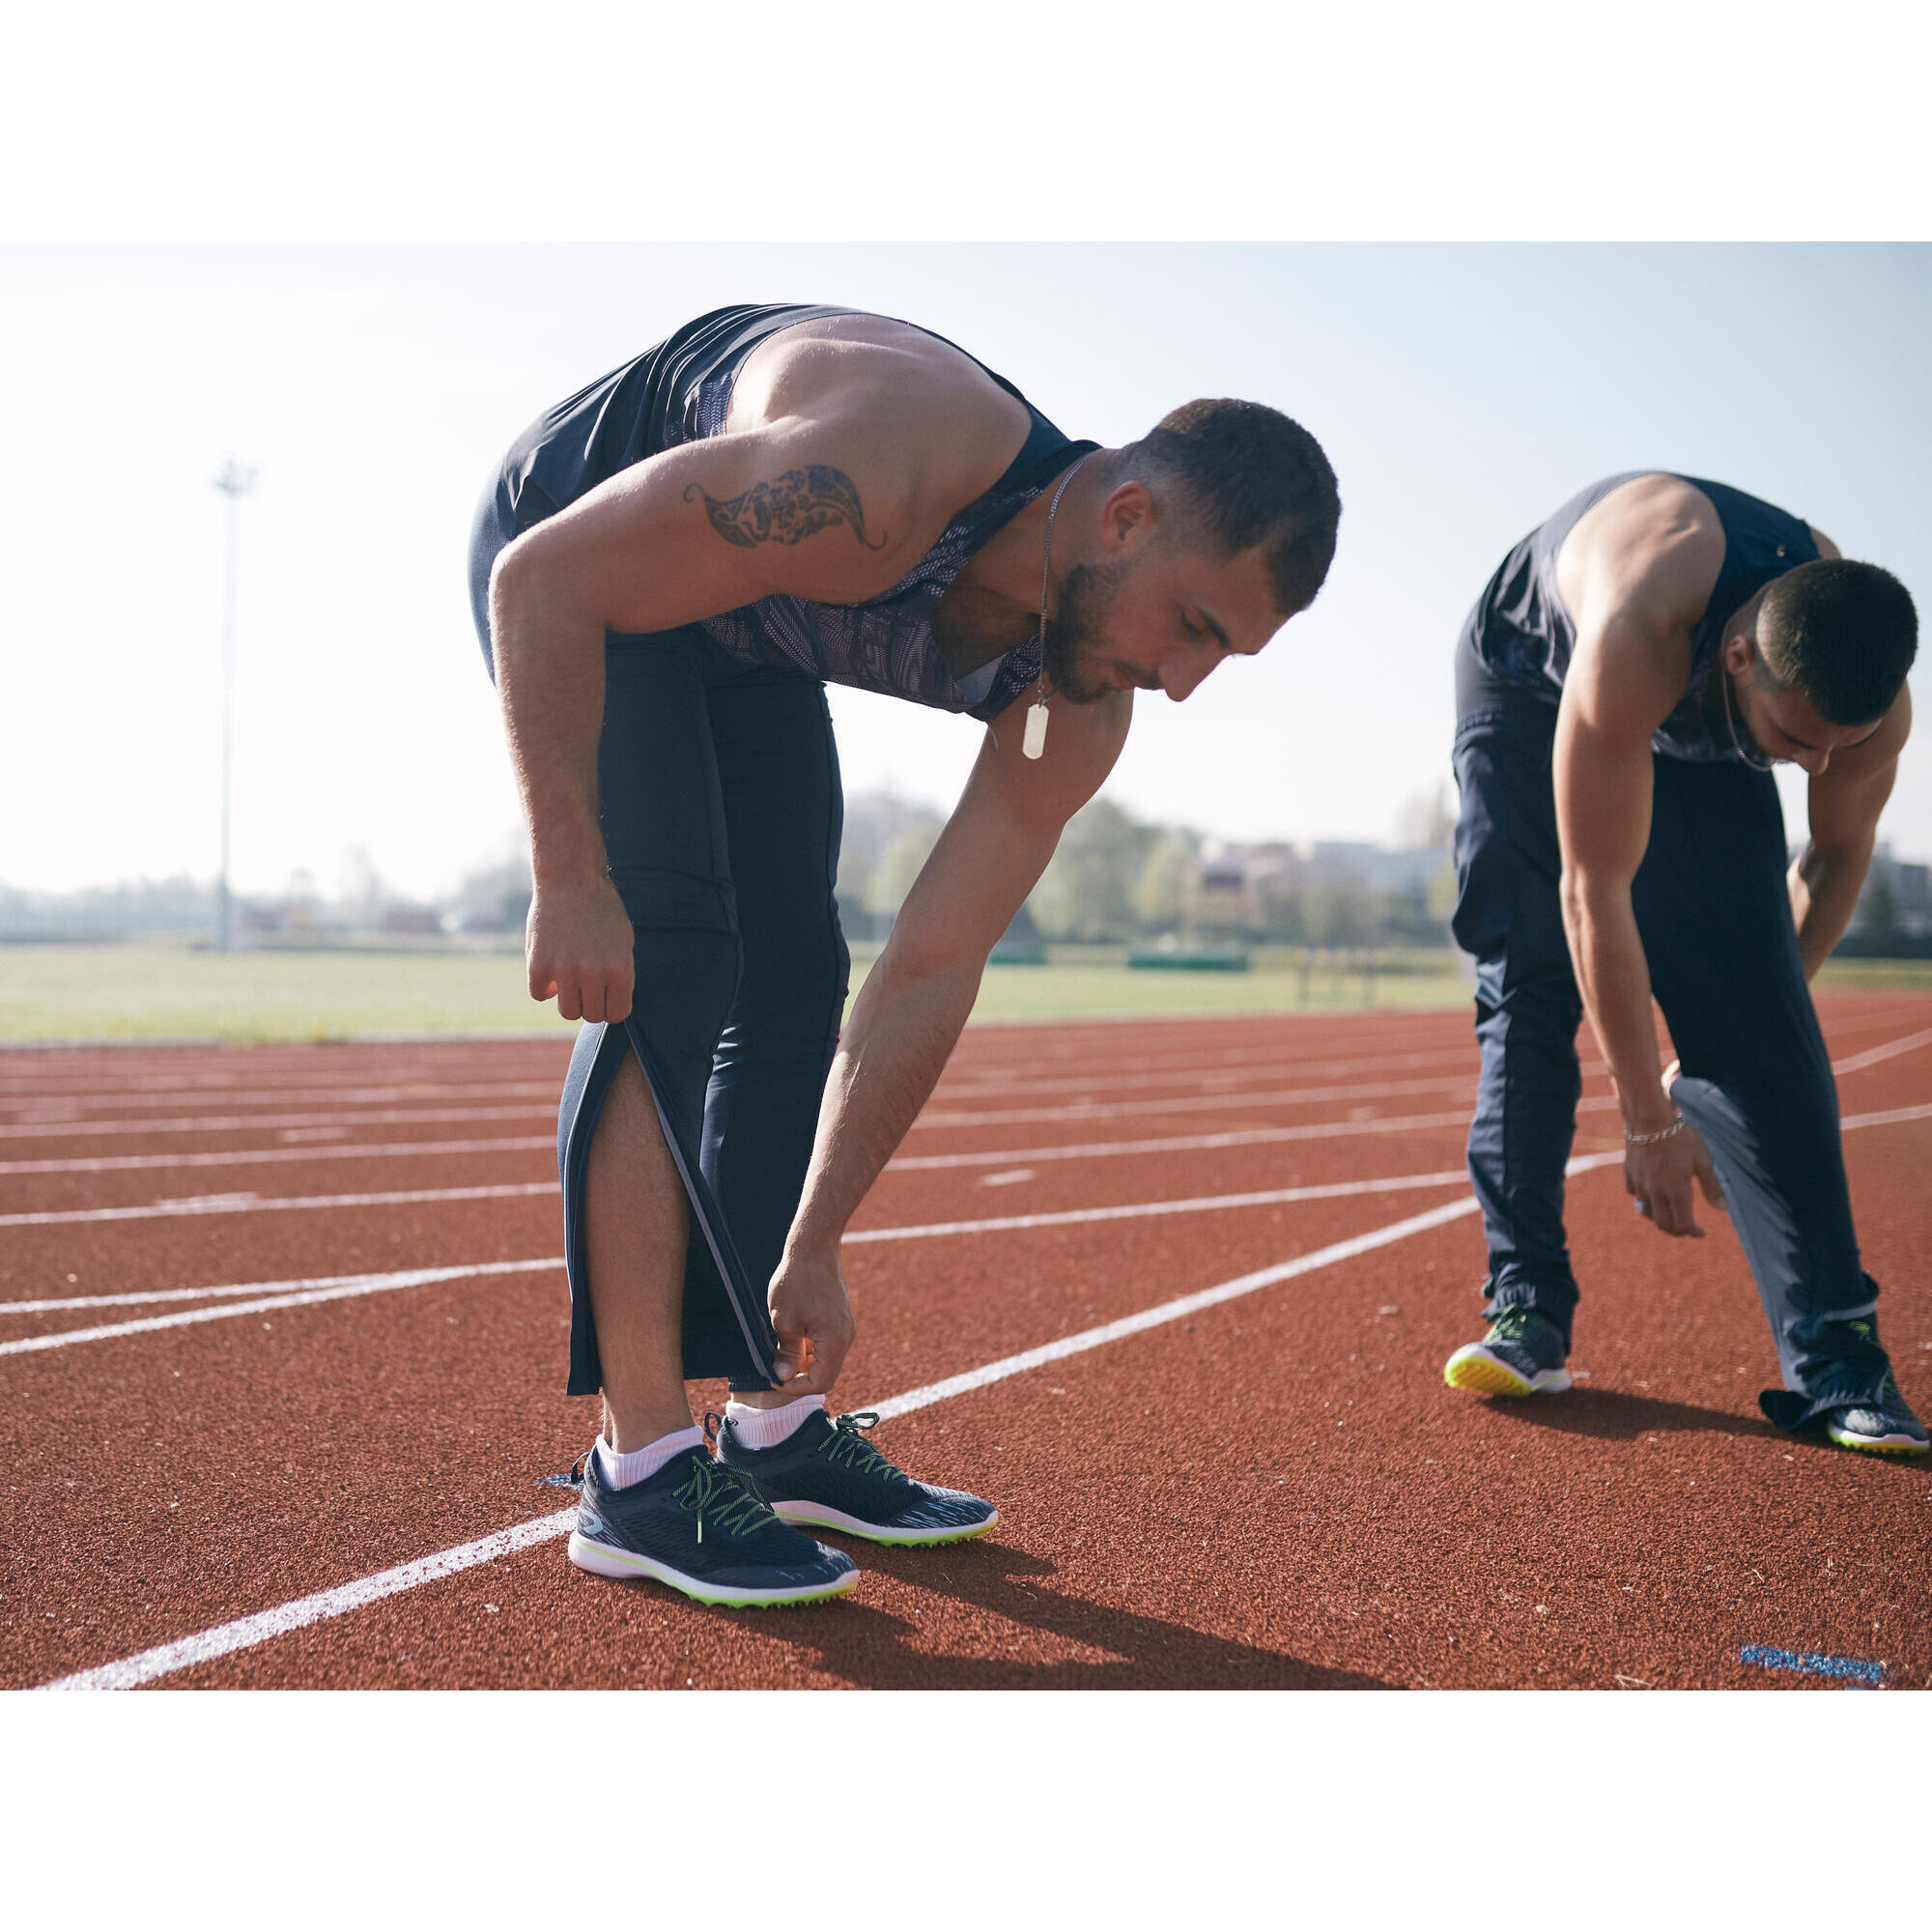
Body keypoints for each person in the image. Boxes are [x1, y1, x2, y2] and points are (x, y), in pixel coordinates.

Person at [467, 303, 1342, 1605]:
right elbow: (540, 579)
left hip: (743, 630)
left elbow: (931, 964)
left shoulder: (1076, 709)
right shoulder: (872, 486)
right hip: (587, 550)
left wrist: (815, 1235)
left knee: (799, 974)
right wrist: (571, 872)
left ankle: (767, 1429)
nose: (1183, 683)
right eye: (1198, 628)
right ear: (1125, 518)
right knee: (678, 956)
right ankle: (638, 1473)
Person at [1441, 469, 1926, 1456]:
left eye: (1842, 746)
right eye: (1797, 741)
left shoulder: (1853, 708)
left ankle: (1838, 1357)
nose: (1816, 769)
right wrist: (1645, 1114)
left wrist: (1733, 1032)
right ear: (1740, 657)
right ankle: (1524, 1305)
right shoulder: (1639, 624)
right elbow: (1594, 890)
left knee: (1763, 1012)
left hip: (1701, 708)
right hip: (1530, 686)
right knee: (1529, 981)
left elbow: (1832, 856)